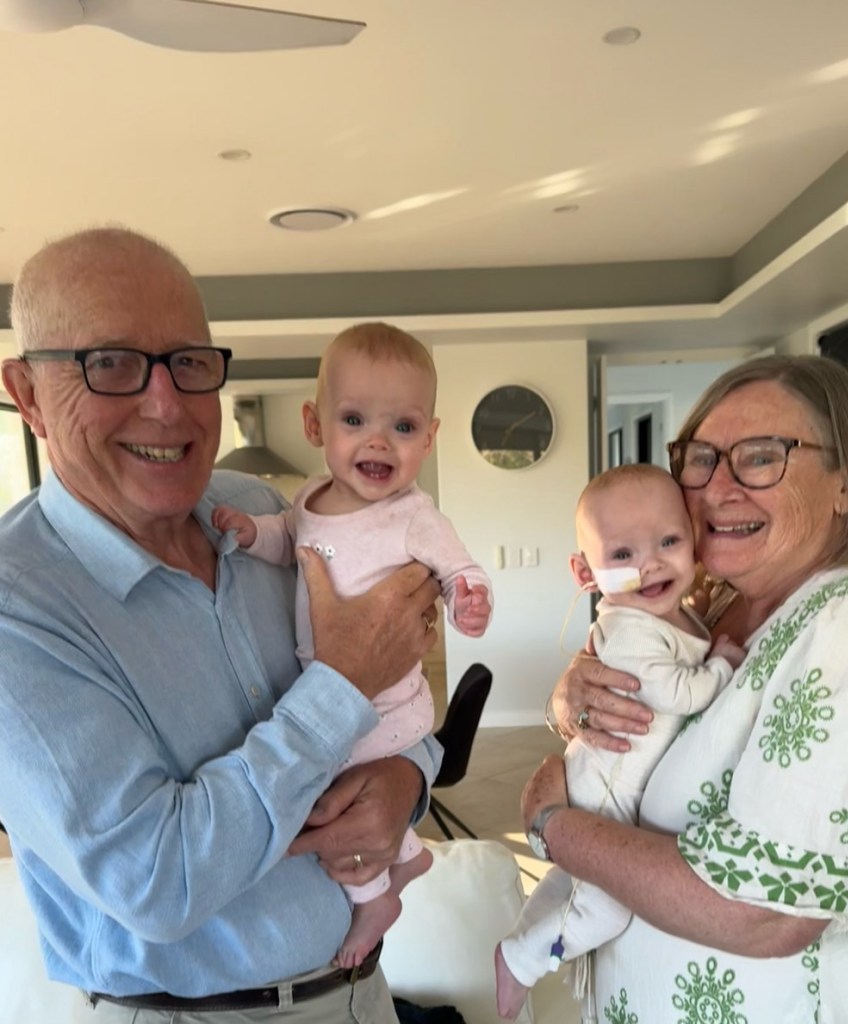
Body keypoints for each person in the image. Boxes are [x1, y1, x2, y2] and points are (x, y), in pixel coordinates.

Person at [0, 226, 447, 1024]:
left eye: (189, 362)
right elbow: (158, 881)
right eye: (111, 364)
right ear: (27, 394)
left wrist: (406, 782)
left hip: (361, 992)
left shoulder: (265, 512)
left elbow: (395, 691)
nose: (166, 404)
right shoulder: (17, 606)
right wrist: (341, 683)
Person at [523, 354, 848, 1023]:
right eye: (701, 458)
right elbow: (648, 714)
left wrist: (552, 826)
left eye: (762, 457)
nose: (717, 488)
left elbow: (763, 912)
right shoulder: (714, 605)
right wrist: (572, 701)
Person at [212, 321, 493, 968]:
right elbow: (291, 540)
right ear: (315, 426)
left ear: (429, 438)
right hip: (337, 688)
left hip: (384, 703)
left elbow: (459, 569)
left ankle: (374, 898)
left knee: (331, 790)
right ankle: (408, 858)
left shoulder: (414, 516)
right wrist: (252, 533)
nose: (378, 440)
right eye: (354, 419)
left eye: (403, 426)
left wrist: (470, 599)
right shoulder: (309, 498)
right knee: (342, 782)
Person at [495, 464, 743, 1019]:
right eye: (623, 554)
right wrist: (723, 666)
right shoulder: (631, 627)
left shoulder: (673, 614)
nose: (650, 563)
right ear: (585, 572)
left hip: (609, 776)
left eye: (668, 541)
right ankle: (521, 961)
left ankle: (525, 933)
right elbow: (679, 692)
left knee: (571, 882)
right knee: (607, 909)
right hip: (609, 789)